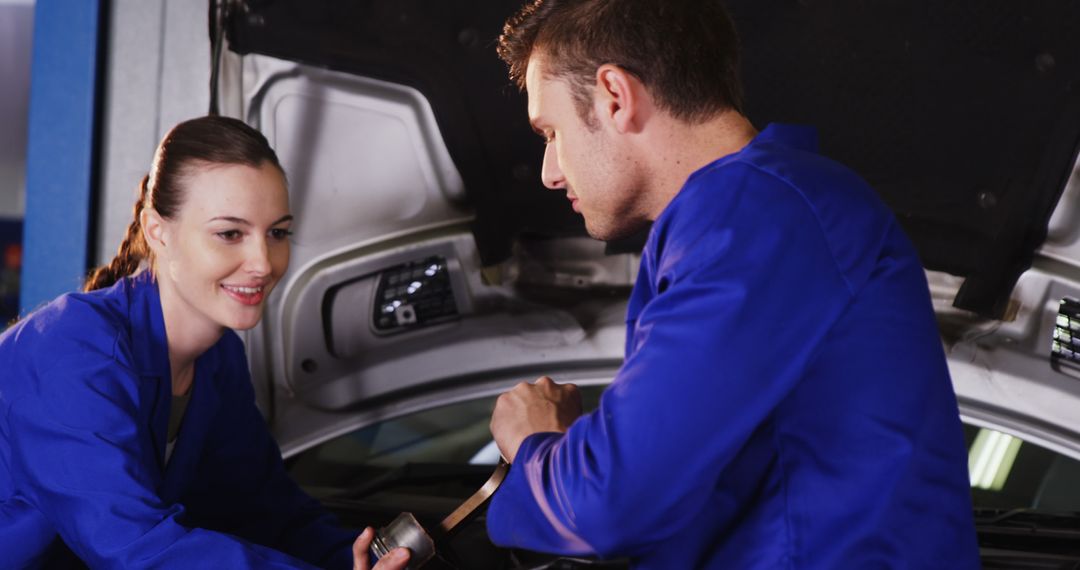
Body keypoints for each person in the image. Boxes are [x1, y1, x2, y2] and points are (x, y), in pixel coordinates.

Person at [486, 1, 981, 568]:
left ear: (615, 97)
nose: (549, 170)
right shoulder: (757, 214)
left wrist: (534, 443)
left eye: (551, 131)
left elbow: (612, 503)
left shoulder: (757, 217)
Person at [0, 116, 408, 569]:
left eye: (277, 232)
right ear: (157, 231)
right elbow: (137, 548)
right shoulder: (70, 353)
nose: (262, 262)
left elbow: (265, 510)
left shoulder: (218, 359)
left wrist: (358, 558)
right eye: (230, 234)